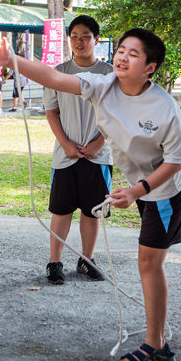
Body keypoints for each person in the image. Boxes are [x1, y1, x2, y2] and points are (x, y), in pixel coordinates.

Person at [0, 28, 181, 361]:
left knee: (149, 261)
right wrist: (12, 60)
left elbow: (175, 162)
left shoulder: (165, 108)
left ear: (150, 68)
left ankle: (158, 347)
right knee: (180, 225)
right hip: (141, 183)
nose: (123, 57)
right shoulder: (104, 85)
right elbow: (54, 77)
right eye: (121, 50)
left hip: (164, 186)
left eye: (134, 54)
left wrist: (138, 191)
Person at [43, 15, 113, 286]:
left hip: (98, 156)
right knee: (61, 211)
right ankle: (54, 262)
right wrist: (65, 143)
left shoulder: (109, 73)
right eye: (74, 36)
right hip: (65, 156)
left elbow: (116, 114)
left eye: (85, 36)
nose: (79, 42)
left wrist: (99, 143)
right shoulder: (58, 72)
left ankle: (87, 260)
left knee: (92, 211)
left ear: (96, 39)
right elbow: (52, 111)